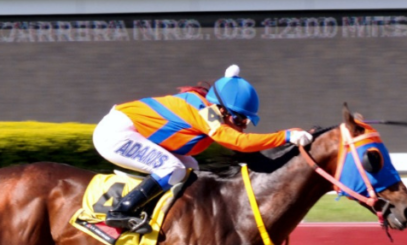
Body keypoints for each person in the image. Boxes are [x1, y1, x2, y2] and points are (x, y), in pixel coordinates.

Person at [92, 65, 314, 232]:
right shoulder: (205, 111)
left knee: (190, 167)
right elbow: (237, 142)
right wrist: (286, 136)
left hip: (128, 130)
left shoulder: (208, 107)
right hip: (116, 133)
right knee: (172, 170)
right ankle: (121, 212)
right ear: (221, 108)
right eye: (239, 119)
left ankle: (168, 216)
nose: (241, 126)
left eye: (245, 121)